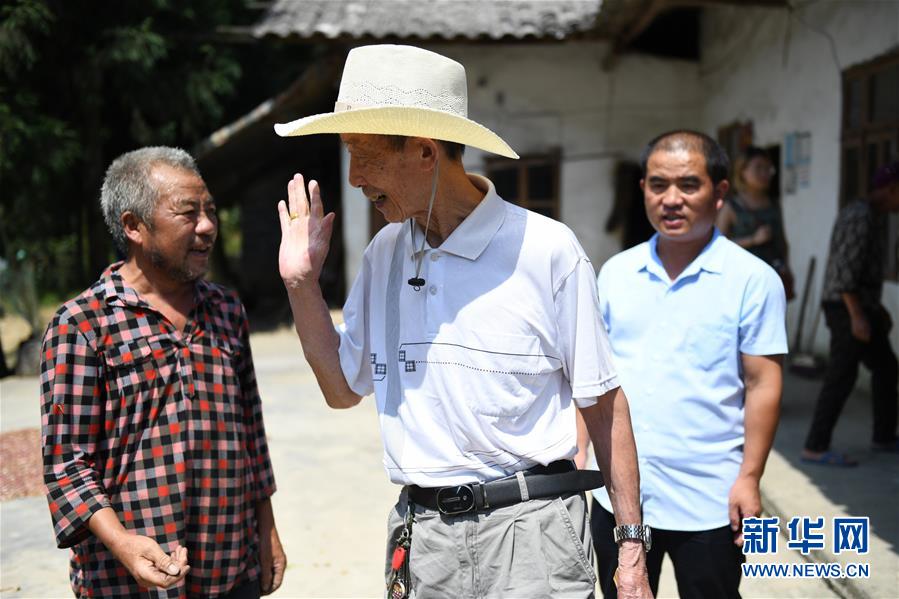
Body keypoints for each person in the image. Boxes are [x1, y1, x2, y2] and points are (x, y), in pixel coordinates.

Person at [274, 44, 652, 598]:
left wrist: (631, 549)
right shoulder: (385, 254)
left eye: (365, 154)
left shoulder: (546, 250)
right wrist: (301, 284)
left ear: (425, 153)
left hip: (535, 537)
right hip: (424, 539)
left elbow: (603, 404)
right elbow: (341, 389)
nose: (354, 178)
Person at [40, 147, 285, 598]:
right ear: (134, 226)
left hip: (230, 568)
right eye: (188, 213)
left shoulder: (226, 310)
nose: (208, 226)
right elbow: (67, 465)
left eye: (210, 210)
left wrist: (266, 531)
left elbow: (252, 431)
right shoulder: (83, 324)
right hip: (128, 579)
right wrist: (123, 544)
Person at [587, 131, 787, 598]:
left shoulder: (752, 280)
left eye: (688, 185)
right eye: (658, 185)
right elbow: (595, 377)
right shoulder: (616, 273)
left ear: (719, 192)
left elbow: (762, 384)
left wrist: (750, 477)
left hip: (711, 500)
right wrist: (582, 456)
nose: (671, 199)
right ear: (642, 191)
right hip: (620, 500)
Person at [802, 162, 899, 465]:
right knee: (842, 376)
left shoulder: (874, 216)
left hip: (860, 304)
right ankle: (815, 446)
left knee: (886, 368)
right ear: (892, 189)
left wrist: (874, 307)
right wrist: (857, 315)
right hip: (845, 306)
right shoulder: (860, 217)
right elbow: (844, 273)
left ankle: (883, 437)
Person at [717, 146, 795, 300]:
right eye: (758, 168)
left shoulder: (774, 204)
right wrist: (752, 240)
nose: (765, 173)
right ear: (743, 171)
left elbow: (783, 242)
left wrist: (787, 269)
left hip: (772, 278)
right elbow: (717, 246)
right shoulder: (731, 207)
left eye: (768, 168)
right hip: (741, 283)